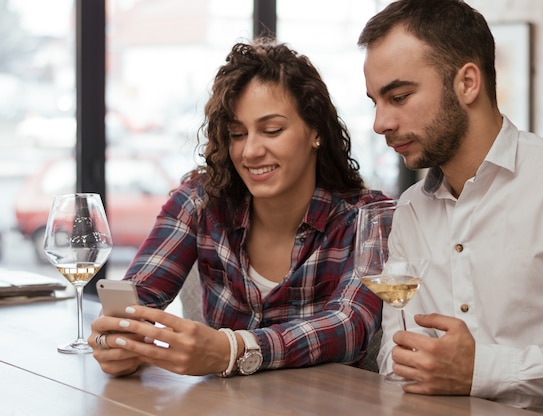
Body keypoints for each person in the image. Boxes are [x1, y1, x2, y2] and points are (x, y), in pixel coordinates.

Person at [357, 1, 543, 415]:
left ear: (467, 83)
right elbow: (398, 364)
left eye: (399, 96)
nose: (380, 123)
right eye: (376, 101)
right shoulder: (409, 211)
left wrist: (483, 369)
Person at [88, 38, 387, 378]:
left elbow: (348, 326)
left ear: (316, 131)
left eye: (271, 130)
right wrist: (118, 339)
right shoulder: (201, 201)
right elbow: (138, 297)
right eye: (237, 133)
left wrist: (232, 350)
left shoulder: (368, 217)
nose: (250, 152)